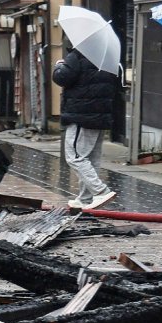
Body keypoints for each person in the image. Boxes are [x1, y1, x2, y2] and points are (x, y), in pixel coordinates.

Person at [52, 49, 118, 210]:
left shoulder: (78, 55)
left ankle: (100, 191)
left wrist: (59, 67)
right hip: (100, 113)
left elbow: (62, 78)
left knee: (74, 156)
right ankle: (85, 199)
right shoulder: (107, 56)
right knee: (91, 158)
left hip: (81, 114)